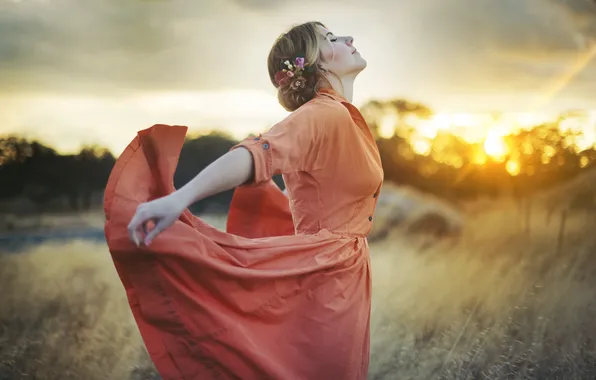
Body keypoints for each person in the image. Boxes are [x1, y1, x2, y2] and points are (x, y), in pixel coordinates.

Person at [104, 21, 383, 380]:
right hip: (325, 279)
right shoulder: (323, 114)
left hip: (344, 271)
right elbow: (256, 153)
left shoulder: (340, 115)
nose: (349, 39)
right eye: (332, 39)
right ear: (318, 62)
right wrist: (178, 198)